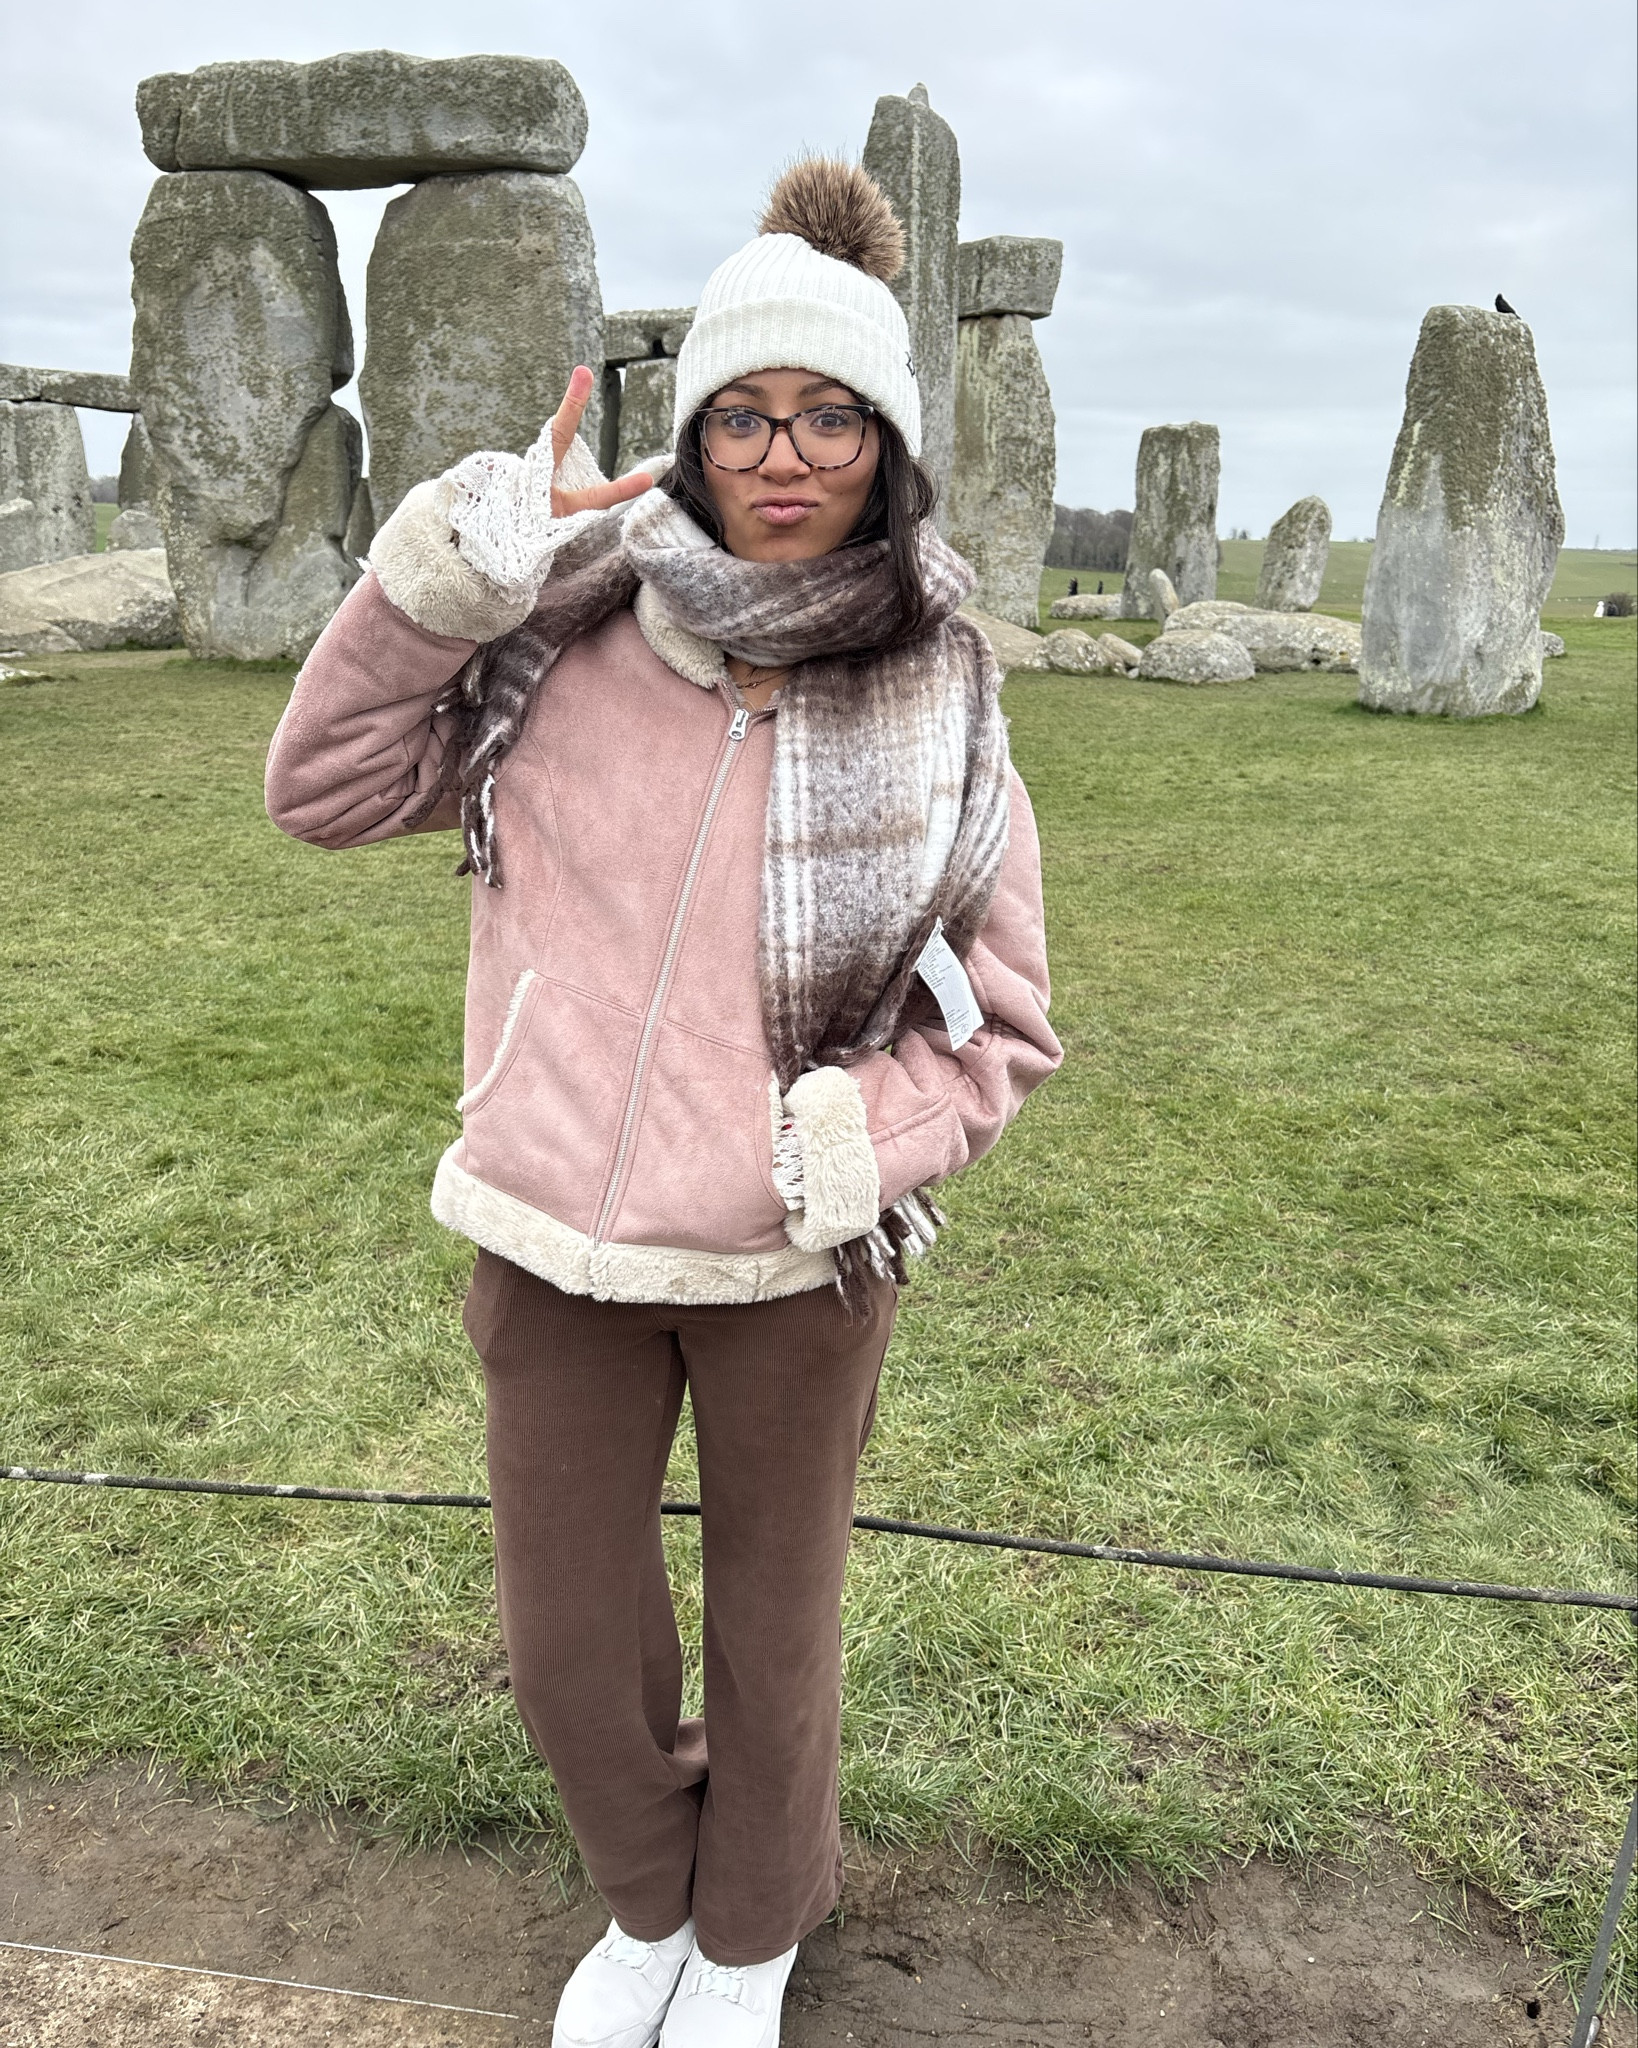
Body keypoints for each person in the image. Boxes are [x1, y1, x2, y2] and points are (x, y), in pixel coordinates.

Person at [266, 158, 1061, 2048]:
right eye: (741, 413)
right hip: (549, 1224)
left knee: (777, 1641)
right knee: (566, 1650)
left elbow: (1006, 1025)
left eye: (828, 416)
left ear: (886, 446)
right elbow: (323, 787)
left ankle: (752, 1934)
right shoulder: (559, 634)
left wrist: (869, 1138)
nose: (784, 455)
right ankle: (648, 1904)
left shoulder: (942, 695)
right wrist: (442, 585)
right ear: (689, 435)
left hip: (796, 1254)